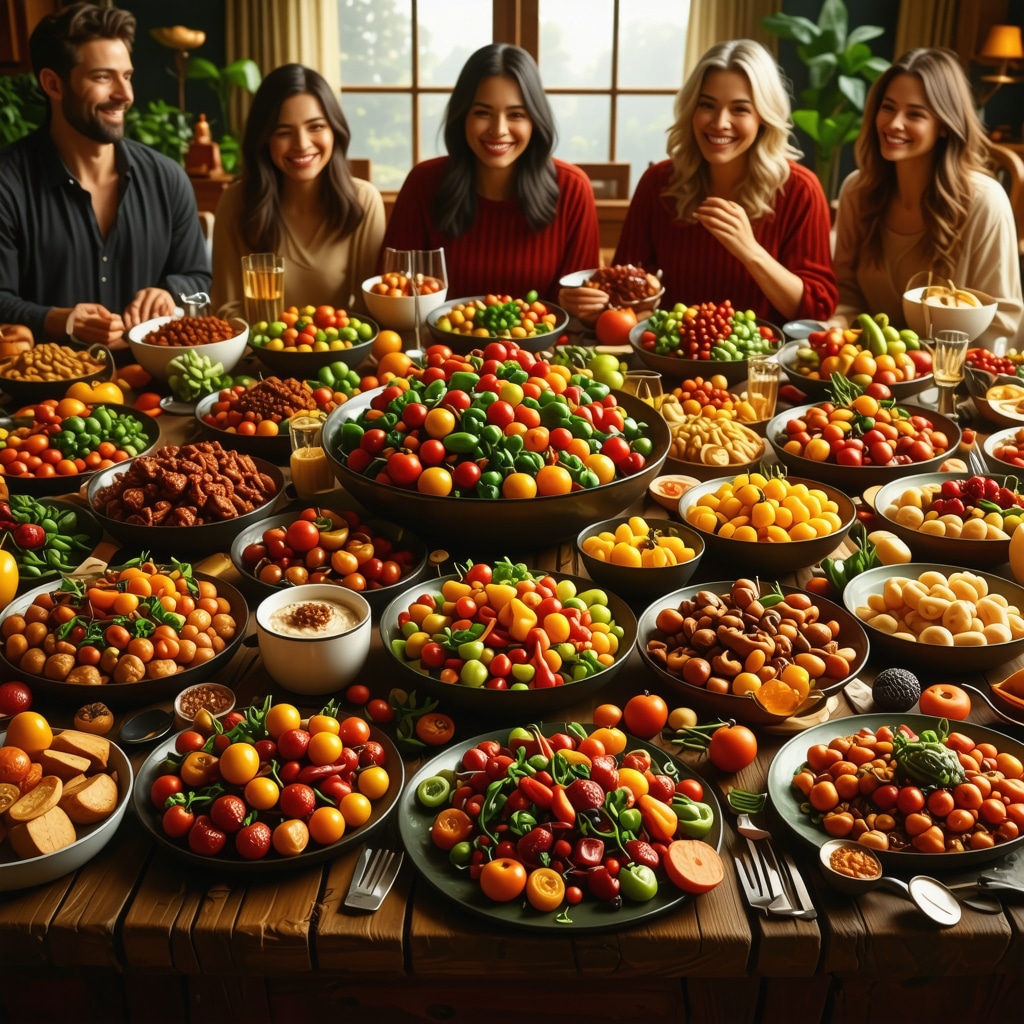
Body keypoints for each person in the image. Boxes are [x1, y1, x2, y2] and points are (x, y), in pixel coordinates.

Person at [561, 39, 837, 326]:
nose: (719, 122)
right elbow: (624, 294)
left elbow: (816, 312)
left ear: (763, 118)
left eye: (740, 109)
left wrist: (750, 251)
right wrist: (593, 302)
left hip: (764, 366)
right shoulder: (658, 184)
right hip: (670, 359)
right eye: (707, 105)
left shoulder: (801, 189)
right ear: (691, 109)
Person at [0, 2, 211, 347]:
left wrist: (169, 294)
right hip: (46, 397)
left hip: (156, 389)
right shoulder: (7, 185)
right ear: (53, 84)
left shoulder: (168, 179)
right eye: (102, 77)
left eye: (126, 76)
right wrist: (58, 319)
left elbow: (199, 279)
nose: (125, 94)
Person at [832, 47, 1023, 347]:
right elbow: (846, 293)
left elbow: (1002, 323)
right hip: (872, 375)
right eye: (888, 107)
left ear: (945, 125)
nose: (894, 124)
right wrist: (835, 327)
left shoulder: (985, 202)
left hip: (954, 379)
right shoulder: (857, 191)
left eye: (915, 114)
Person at [381, 43, 600, 303]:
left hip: (544, 344)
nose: (498, 129)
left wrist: (581, 305)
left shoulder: (573, 188)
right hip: (437, 344)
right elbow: (391, 293)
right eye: (483, 112)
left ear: (535, 121)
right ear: (463, 116)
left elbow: (581, 308)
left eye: (516, 114)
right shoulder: (423, 183)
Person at [211, 64, 385, 320]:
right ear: (264, 138)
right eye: (283, 132)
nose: (302, 145)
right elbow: (227, 310)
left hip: (341, 356)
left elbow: (368, 311)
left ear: (334, 130)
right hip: (255, 357)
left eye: (315, 127)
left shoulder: (364, 201)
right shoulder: (236, 201)